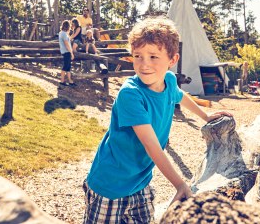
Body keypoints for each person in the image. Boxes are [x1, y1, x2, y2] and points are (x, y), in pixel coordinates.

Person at [83, 17, 233, 223]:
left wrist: (205, 116)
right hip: (111, 183)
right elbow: (151, 146)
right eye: (138, 56)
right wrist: (180, 184)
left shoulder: (169, 80)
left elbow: (180, 95)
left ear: (172, 60)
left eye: (153, 56)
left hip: (140, 181)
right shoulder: (131, 94)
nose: (144, 64)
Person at [58, 20, 76, 88]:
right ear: (68, 26)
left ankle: (70, 81)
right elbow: (67, 44)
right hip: (66, 52)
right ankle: (62, 81)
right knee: (65, 67)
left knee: (68, 67)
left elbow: (68, 39)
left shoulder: (62, 33)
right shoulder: (64, 34)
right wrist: (71, 53)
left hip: (65, 52)